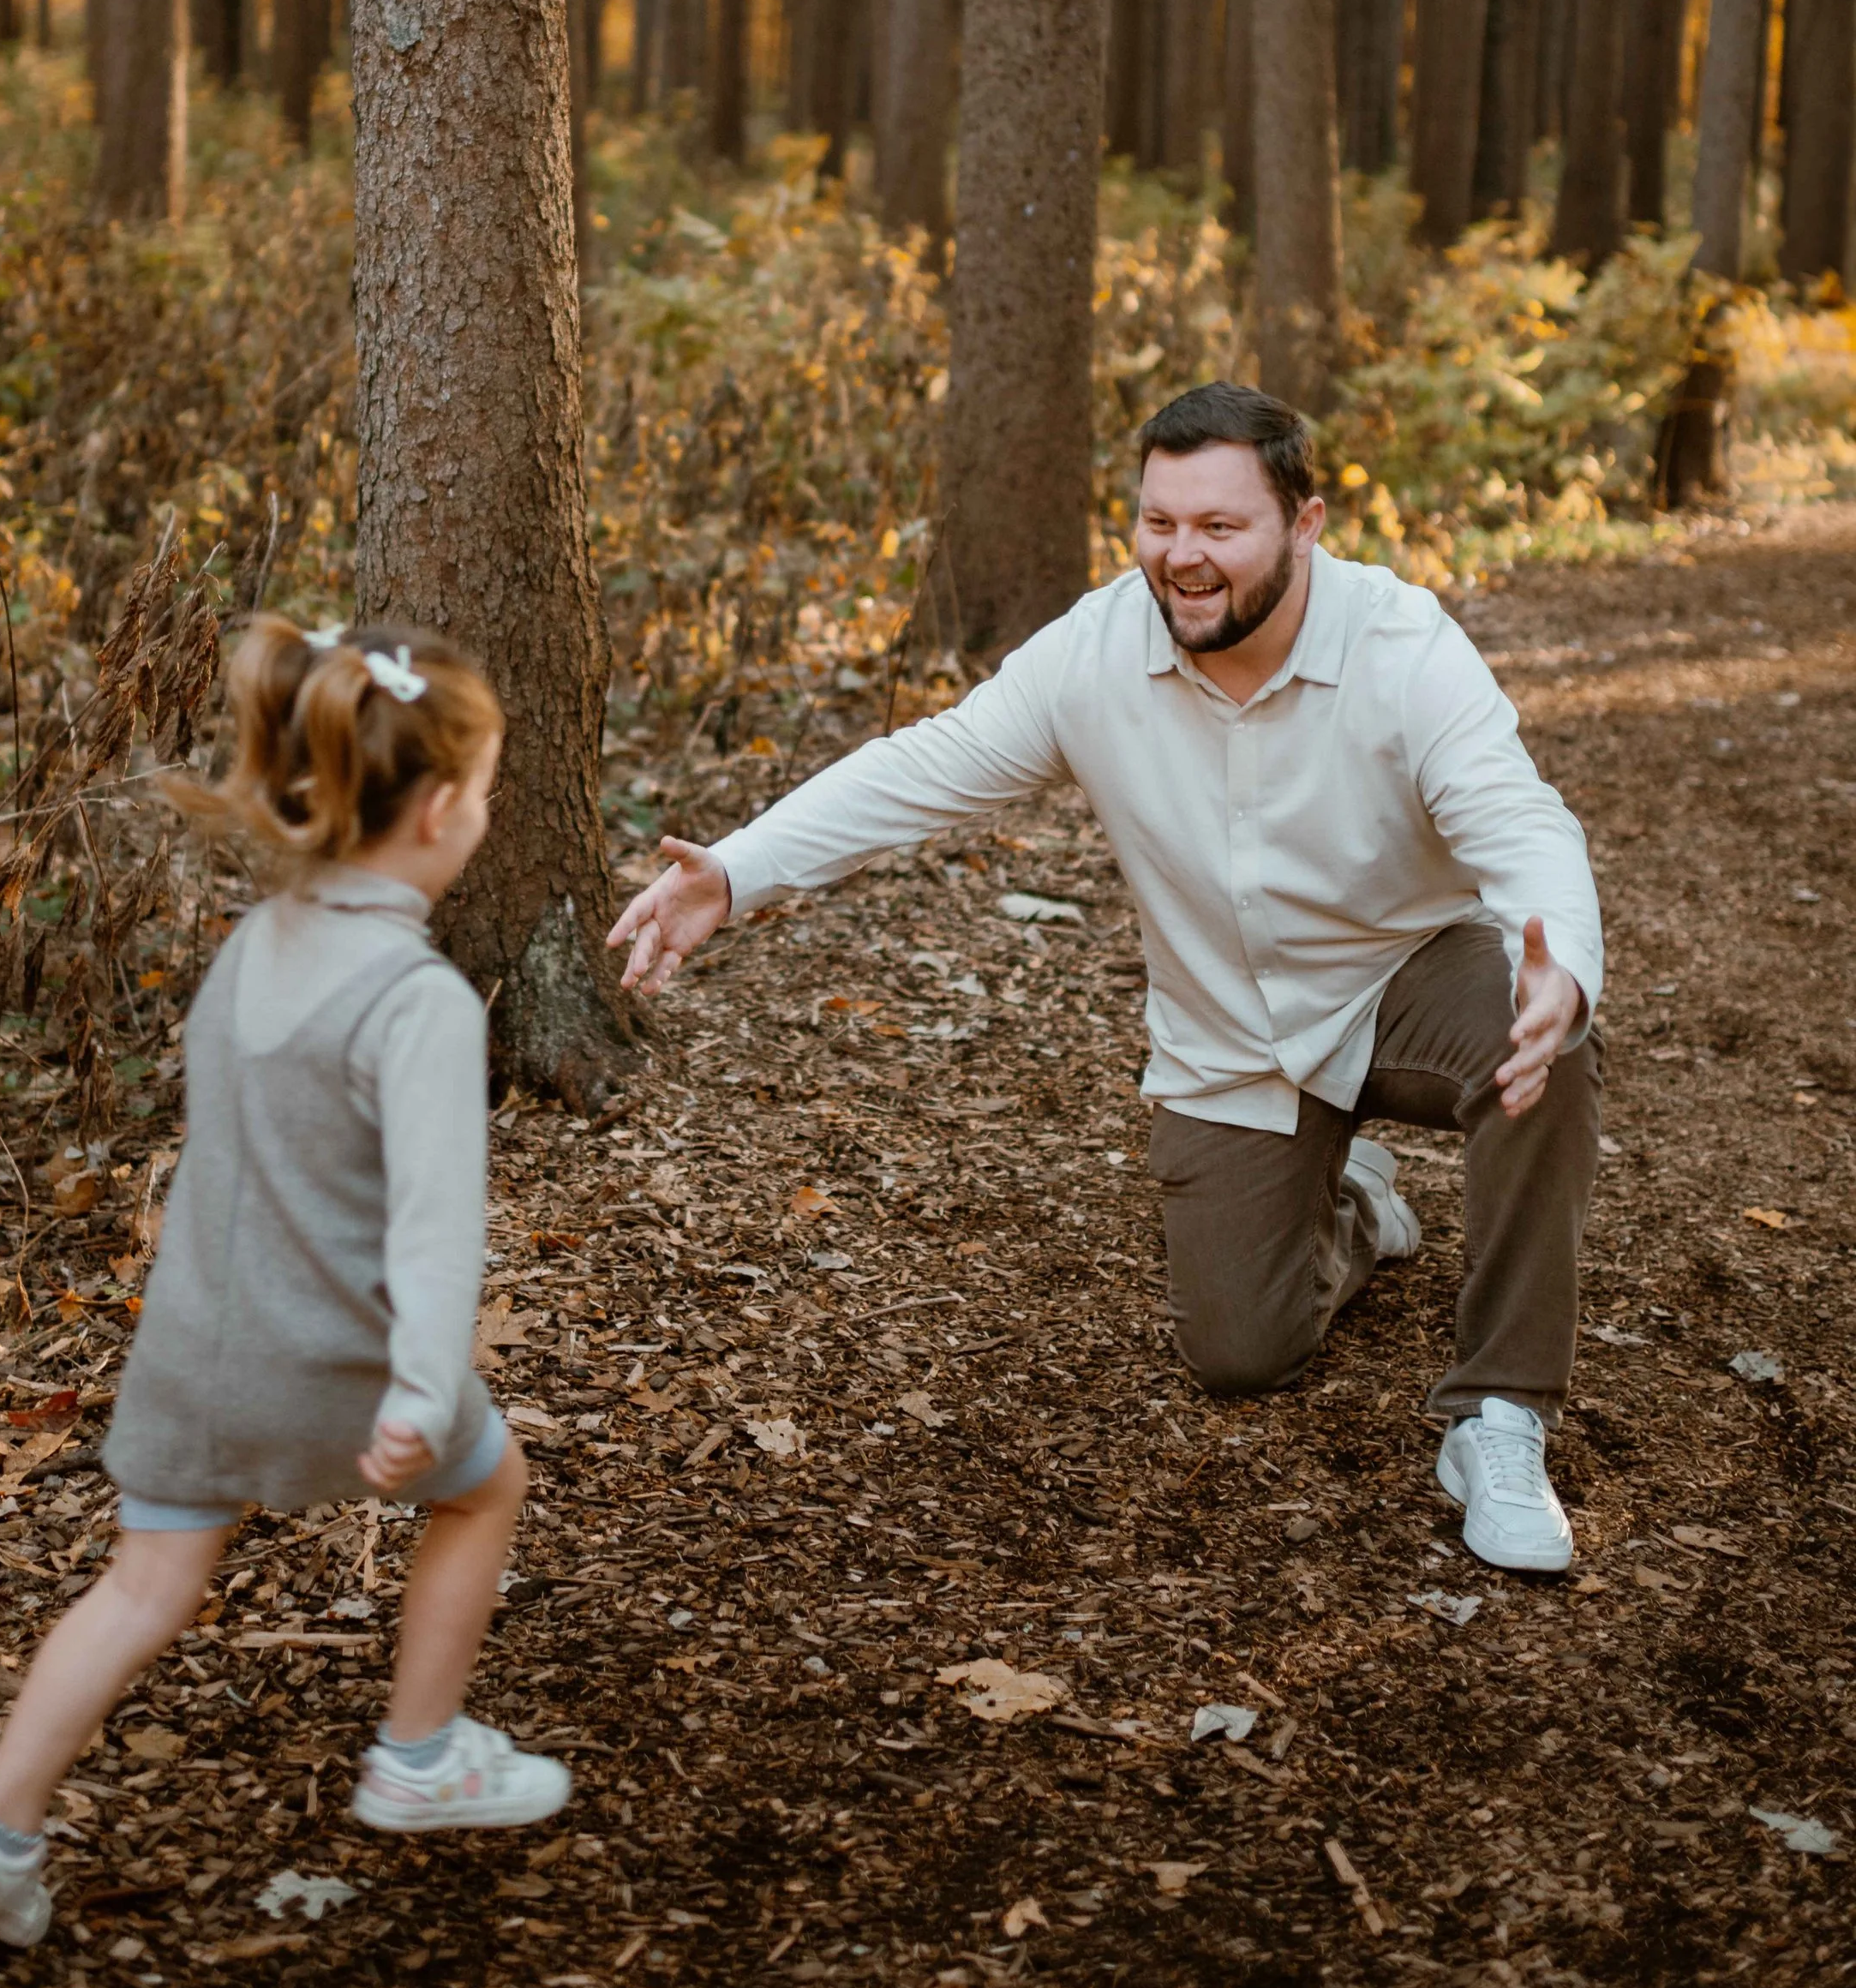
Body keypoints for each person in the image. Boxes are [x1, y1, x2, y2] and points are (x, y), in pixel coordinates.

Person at [611, 381, 1604, 1577]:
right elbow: (928, 763)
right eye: (1159, 522)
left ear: (1307, 523)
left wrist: (1564, 968)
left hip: (1402, 978)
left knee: (1540, 1036)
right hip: (1228, 1035)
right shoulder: (1096, 650)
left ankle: (1497, 1413)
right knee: (1239, 1353)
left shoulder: (1402, 645)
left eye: (1221, 527)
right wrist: (735, 871)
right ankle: (1354, 1206)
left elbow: (1519, 817)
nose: (1183, 557)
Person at [0, 620, 569, 1950]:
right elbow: (438, 1231)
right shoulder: (421, 998)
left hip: (192, 1351)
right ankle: (420, 1755)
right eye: (486, 788)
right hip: (333, 1365)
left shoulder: (257, 940)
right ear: (440, 811)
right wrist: (426, 1390)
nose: (483, 811)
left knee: (143, 1588)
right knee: (487, 1484)